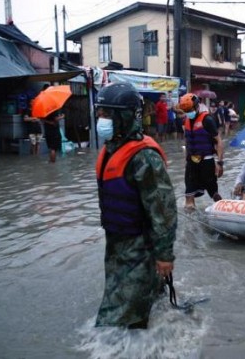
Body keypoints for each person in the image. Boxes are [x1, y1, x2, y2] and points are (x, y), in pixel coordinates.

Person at [94, 82, 177, 329]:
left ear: (125, 116)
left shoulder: (144, 157)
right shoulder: (112, 149)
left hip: (140, 245)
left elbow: (163, 209)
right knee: (120, 292)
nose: (101, 119)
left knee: (119, 317)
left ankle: (127, 348)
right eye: (100, 113)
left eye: (107, 114)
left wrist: (164, 255)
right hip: (117, 241)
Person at [178, 93, 224, 209]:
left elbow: (219, 141)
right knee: (189, 194)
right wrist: (186, 161)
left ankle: (222, 210)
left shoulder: (207, 120)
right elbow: (187, 141)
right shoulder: (186, 121)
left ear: (197, 106)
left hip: (206, 161)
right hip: (191, 162)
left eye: (190, 109)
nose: (188, 112)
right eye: (186, 110)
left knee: (214, 193)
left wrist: (219, 163)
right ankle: (192, 226)